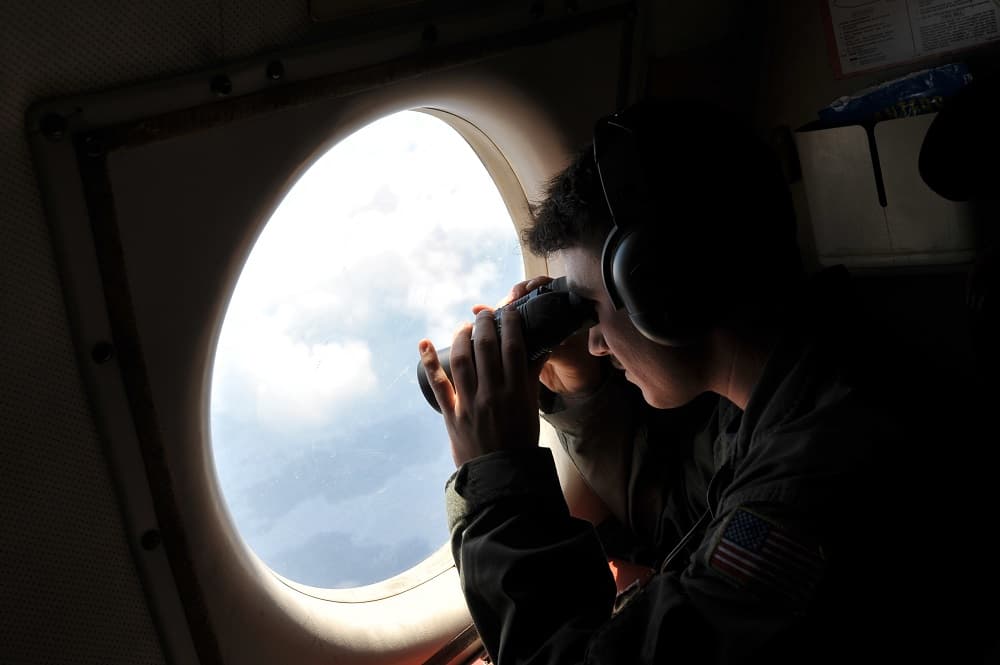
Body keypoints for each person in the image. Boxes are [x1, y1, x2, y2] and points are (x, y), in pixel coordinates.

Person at [417, 98, 986, 664]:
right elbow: (678, 525)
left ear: (665, 288)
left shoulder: (820, 473)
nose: (592, 341)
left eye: (591, 308)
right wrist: (581, 396)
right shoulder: (779, 393)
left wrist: (497, 480)